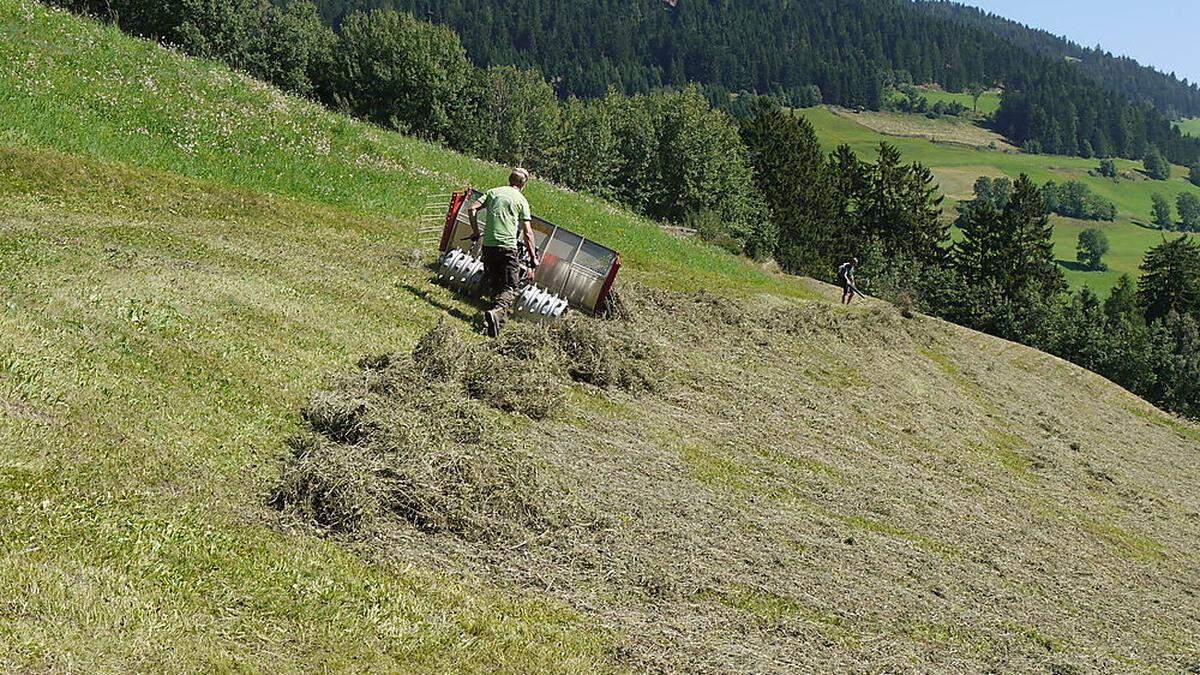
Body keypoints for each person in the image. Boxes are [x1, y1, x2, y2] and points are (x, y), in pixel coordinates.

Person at [467, 168, 540, 336]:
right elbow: (528, 233)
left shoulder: (494, 192)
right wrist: (532, 258)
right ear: (524, 184)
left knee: (496, 284)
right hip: (507, 247)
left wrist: (476, 232)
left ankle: (493, 326)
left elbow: (472, 209)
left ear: (509, 179)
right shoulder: (521, 201)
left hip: (488, 246)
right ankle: (497, 313)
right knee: (511, 287)